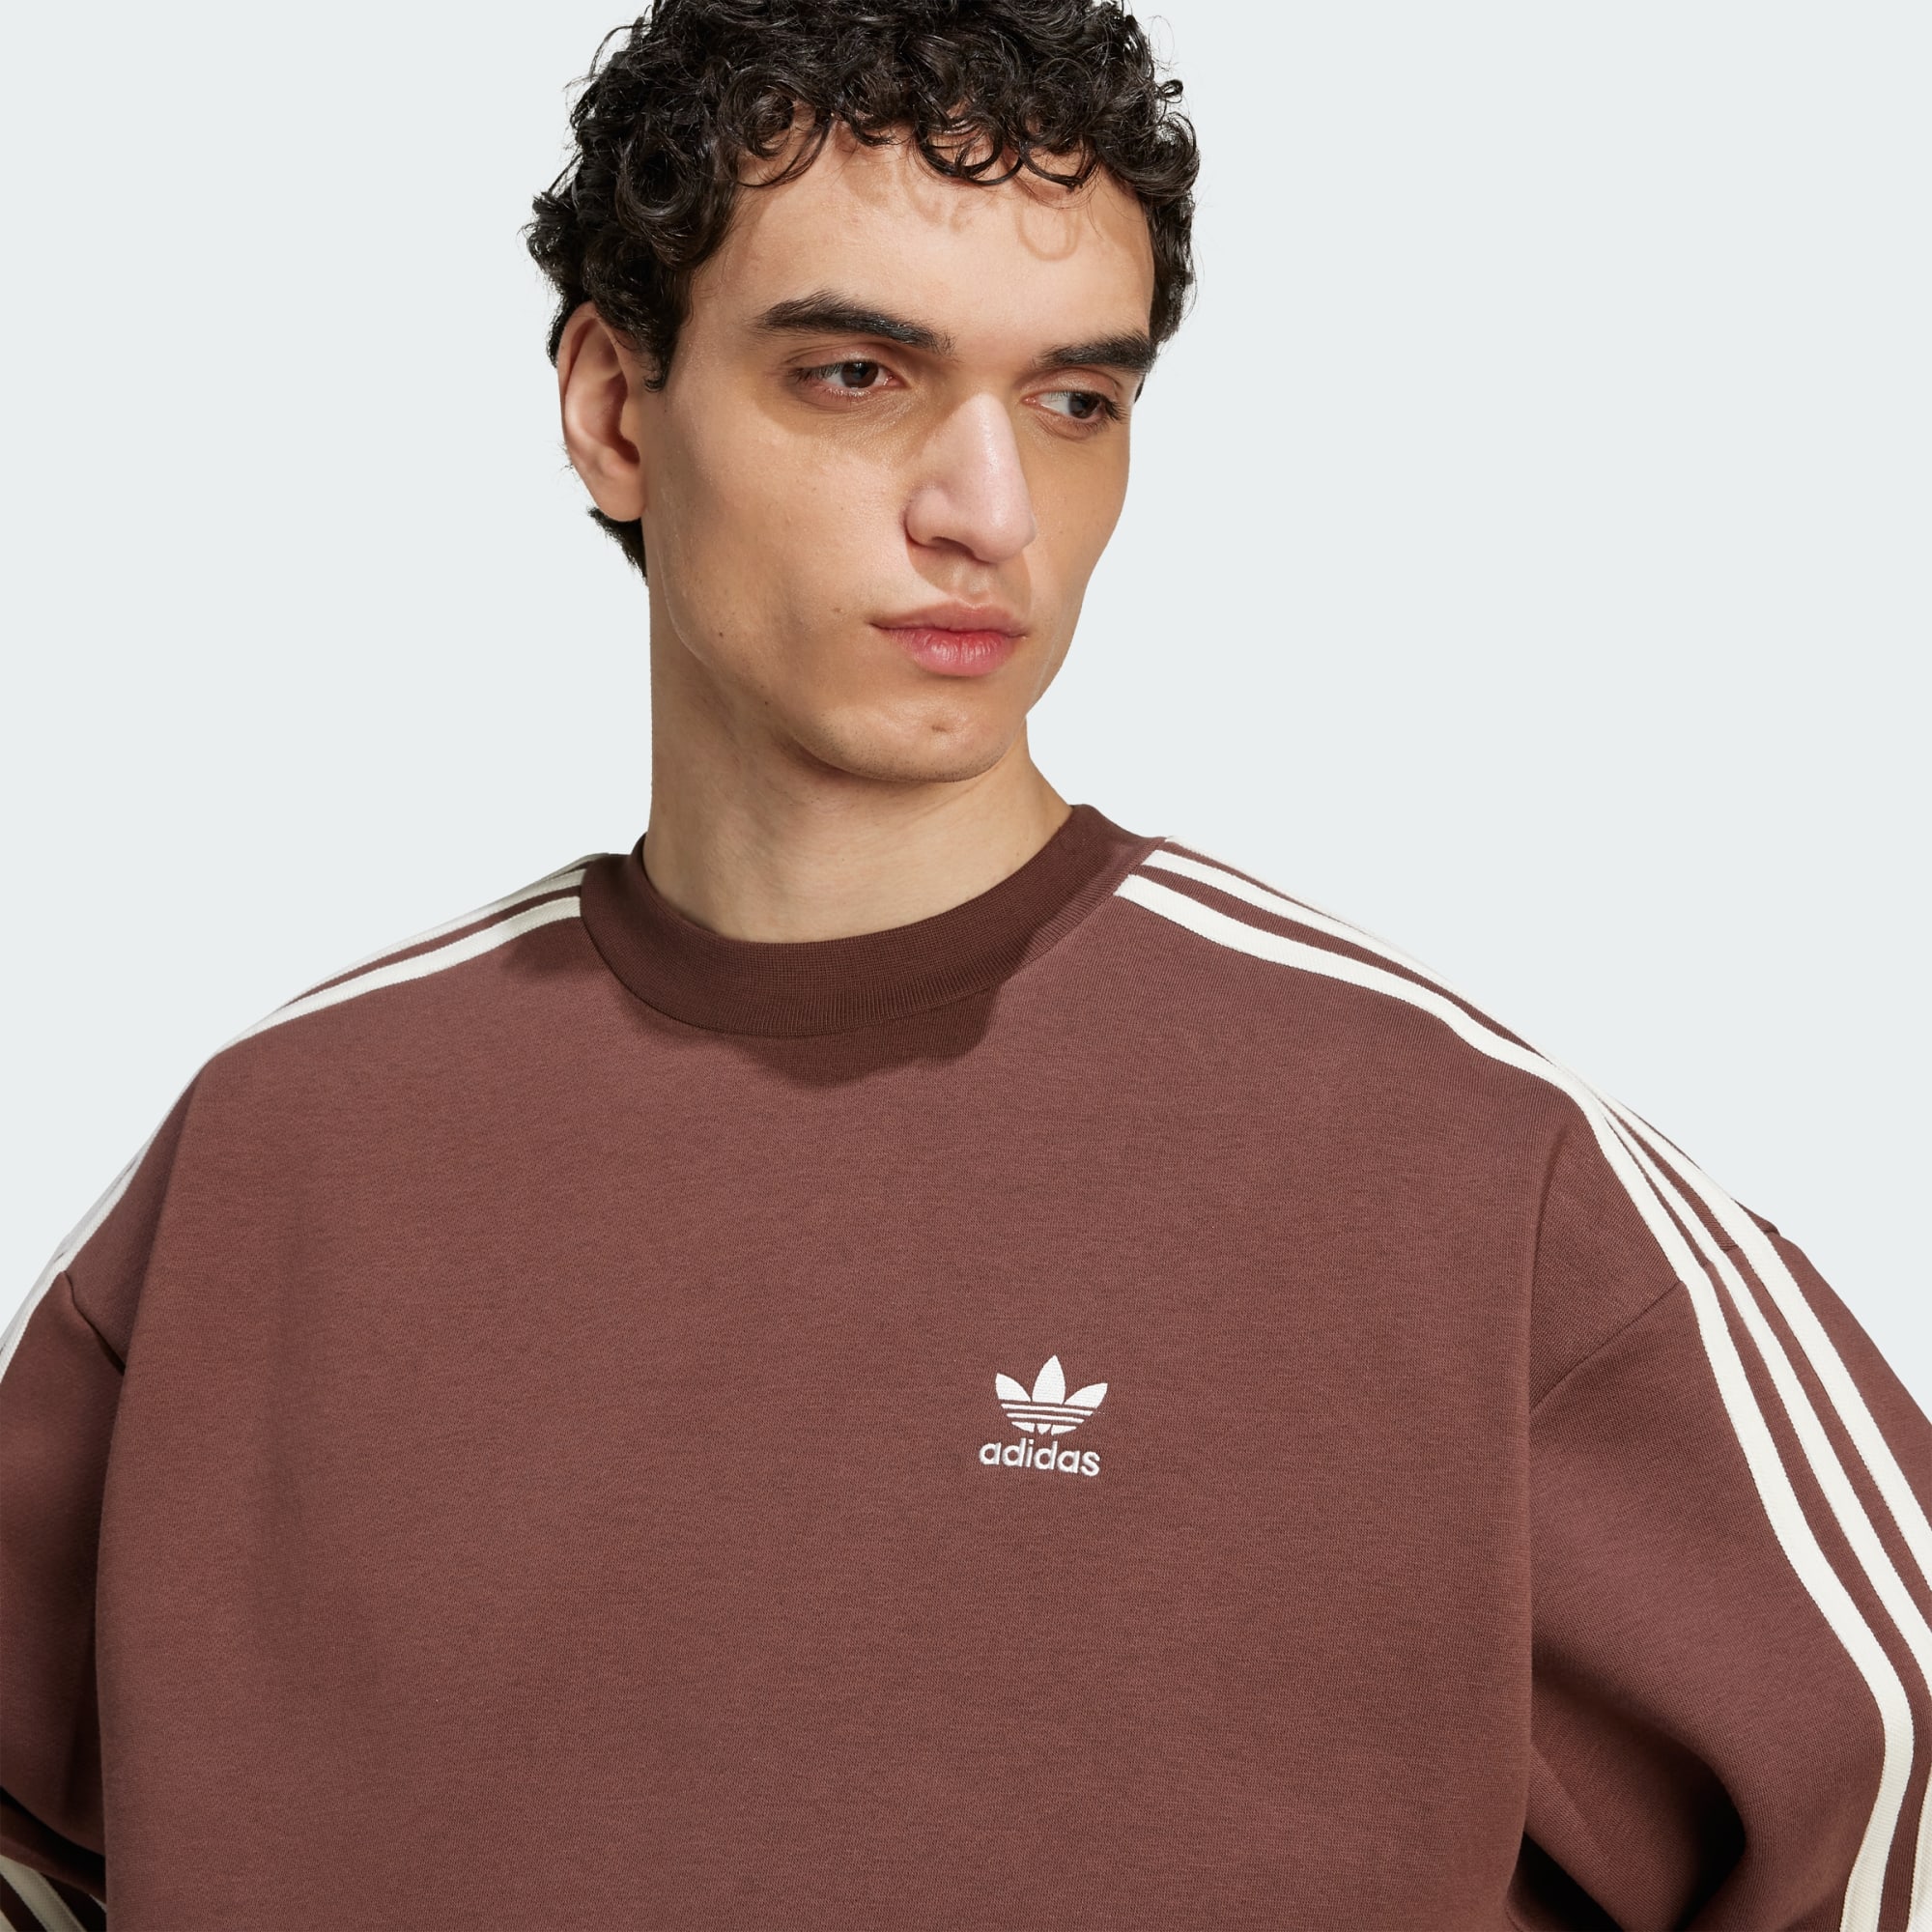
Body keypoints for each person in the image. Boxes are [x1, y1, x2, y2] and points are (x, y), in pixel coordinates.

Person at [2, 1, 1925, 1925]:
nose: (990, 514)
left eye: (1076, 402)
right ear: (613, 410)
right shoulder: (270, 1158)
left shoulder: (1467, 1174)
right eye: (858, 374)